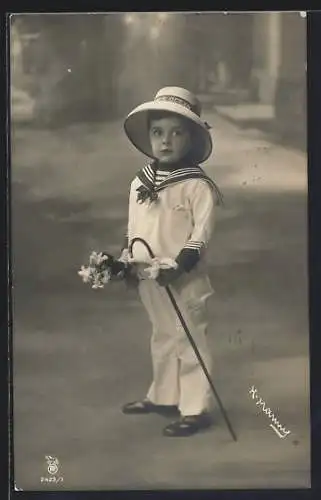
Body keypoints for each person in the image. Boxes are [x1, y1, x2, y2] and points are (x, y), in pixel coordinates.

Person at [117, 86, 223, 437]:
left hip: (183, 276)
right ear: (148, 137)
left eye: (177, 133)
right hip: (149, 276)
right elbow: (135, 228)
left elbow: (200, 235)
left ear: (191, 139)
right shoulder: (138, 183)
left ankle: (195, 408)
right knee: (162, 334)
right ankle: (164, 396)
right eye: (157, 132)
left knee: (189, 337)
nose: (165, 141)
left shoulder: (197, 186)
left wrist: (180, 265)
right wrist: (127, 261)